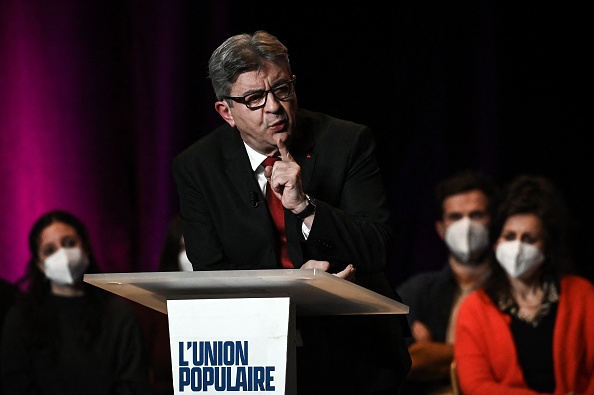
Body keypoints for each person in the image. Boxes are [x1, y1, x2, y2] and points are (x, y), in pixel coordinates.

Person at [172, 30, 411, 394]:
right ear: (226, 111)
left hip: (355, 355)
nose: (274, 107)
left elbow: (377, 247)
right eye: (254, 98)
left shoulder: (346, 143)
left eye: (282, 89)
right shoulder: (196, 166)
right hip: (255, 356)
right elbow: (210, 270)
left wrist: (305, 206)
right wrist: (297, 287)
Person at [454, 175, 594, 395]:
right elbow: (476, 385)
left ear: (547, 249)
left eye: (528, 239)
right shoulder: (475, 309)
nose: (517, 247)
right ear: (496, 243)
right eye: (509, 236)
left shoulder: (582, 295)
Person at [0, 210, 150, 395]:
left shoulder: (119, 314)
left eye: (69, 243)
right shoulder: (21, 317)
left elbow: (133, 384)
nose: (62, 254)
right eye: (50, 250)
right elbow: (15, 384)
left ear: (86, 248)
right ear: (40, 264)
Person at [396, 170, 499, 395]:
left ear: (493, 222)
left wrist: (435, 352)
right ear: (441, 230)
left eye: (476, 214)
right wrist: (487, 355)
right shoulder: (417, 290)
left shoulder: (513, 289)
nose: (467, 226)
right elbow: (406, 363)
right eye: (455, 217)